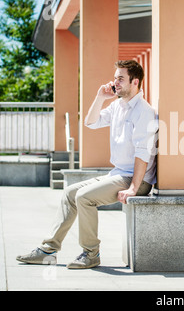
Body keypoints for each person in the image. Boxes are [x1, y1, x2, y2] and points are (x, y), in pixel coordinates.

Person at [16, 60, 158, 269]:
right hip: (118, 174)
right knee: (70, 193)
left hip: (137, 179)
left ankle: (91, 253)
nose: (115, 82)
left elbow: (142, 154)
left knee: (84, 198)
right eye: (115, 77)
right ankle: (49, 249)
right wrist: (100, 97)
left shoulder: (143, 111)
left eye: (121, 78)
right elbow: (90, 122)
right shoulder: (118, 106)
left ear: (135, 82)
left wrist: (133, 188)